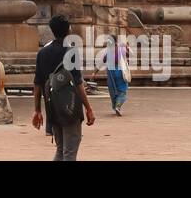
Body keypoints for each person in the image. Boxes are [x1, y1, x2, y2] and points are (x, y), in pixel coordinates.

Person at [33, 15, 95, 161]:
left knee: (61, 149)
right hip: (70, 106)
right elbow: (78, 83)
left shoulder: (42, 53)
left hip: (52, 106)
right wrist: (88, 107)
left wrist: (37, 110)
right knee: (70, 151)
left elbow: (37, 84)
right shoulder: (71, 52)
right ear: (68, 30)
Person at [94, 34, 131, 116]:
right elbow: (128, 55)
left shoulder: (108, 52)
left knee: (113, 91)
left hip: (111, 73)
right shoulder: (121, 49)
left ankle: (115, 106)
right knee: (122, 91)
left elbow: (101, 62)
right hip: (120, 72)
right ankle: (118, 106)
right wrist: (127, 47)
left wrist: (94, 72)